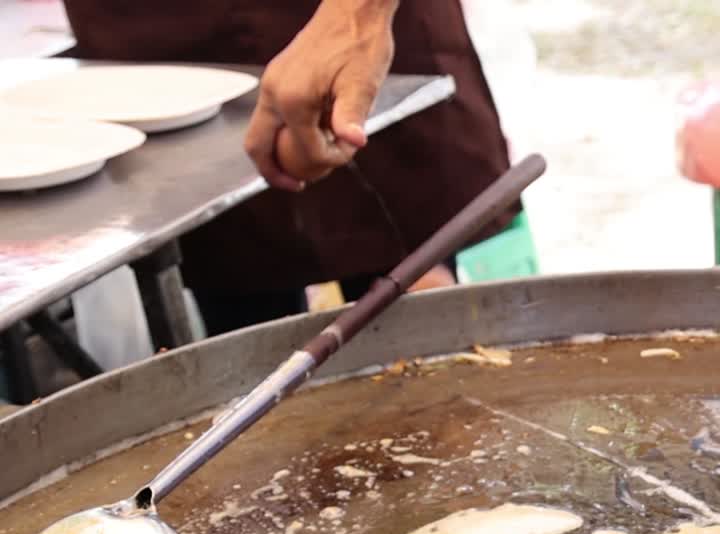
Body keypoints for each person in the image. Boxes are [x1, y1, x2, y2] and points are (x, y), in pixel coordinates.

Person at [63, 0, 515, 334]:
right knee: (243, 328)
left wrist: (357, 15)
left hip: (351, 20)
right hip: (150, 39)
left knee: (418, 317)